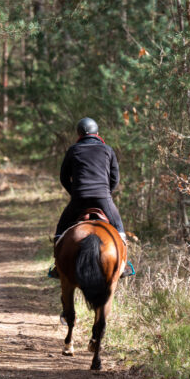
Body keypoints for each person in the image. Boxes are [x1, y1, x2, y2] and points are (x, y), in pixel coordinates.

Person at [49, 117, 132, 278]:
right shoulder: (108, 150)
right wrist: (107, 193)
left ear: (79, 134)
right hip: (103, 197)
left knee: (61, 230)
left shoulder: (73, 150)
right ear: (97, 133)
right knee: (119, 229)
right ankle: (125, 263)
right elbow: (115, 178)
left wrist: (75, 193)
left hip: (79, 198)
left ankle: (57, 266)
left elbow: (64, 177)